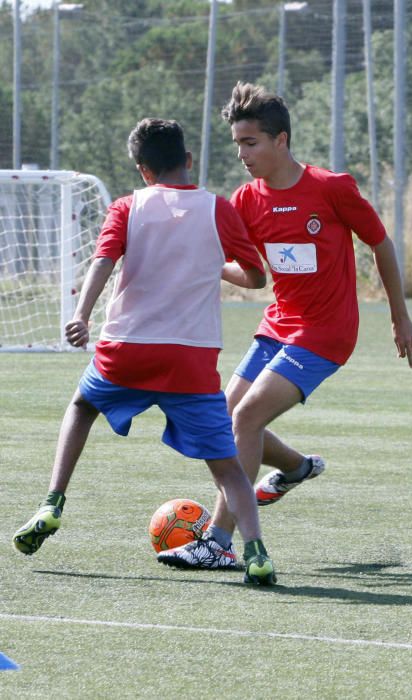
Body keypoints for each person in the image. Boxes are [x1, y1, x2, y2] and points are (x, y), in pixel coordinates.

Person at [159, 82, 412, 570]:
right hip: (278, 324)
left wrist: (399, 315)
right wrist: (207, 266)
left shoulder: (330, 187)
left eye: (250, 142)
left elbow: (381, 243)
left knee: (246, 419)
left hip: (327, 331)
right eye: (236, 143)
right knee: (225, 418)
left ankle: (217, 541)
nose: (242, 154)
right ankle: (296, 468)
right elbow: (251, 274)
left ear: (281, 140)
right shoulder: (246, 200)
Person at [12, 117, 277, 586]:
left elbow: (103, 260)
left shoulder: (127, 207)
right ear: (189, 161)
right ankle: (255, 551)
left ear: (142, 170)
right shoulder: (217, 209)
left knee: (81, 407)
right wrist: (215, 267)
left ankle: (52, 502)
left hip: (126, 347)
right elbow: (256, 277)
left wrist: (81, 315)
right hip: (190, 357)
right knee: (229, 469)